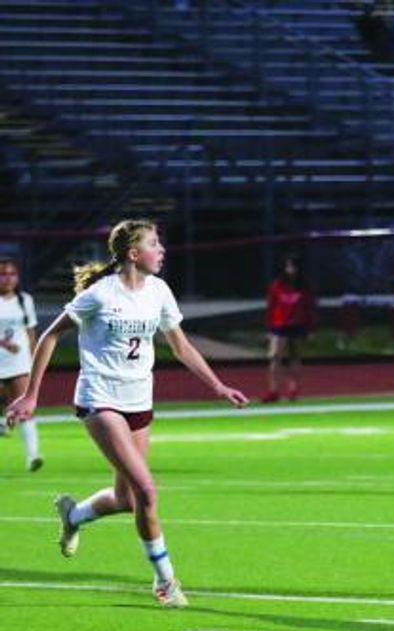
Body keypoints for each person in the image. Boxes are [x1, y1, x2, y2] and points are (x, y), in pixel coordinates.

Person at [4, 219, 248, 608]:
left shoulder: (159, 291)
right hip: (100, 399)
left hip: (139, 401)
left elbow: (181, 347)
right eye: (154, 244)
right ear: (134, 254)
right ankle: (165, 583)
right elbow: (51, 334)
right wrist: (32, 395)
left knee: (129, 500)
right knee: (148, 490)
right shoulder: (101, 295)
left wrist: (217, 386)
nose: (162, 250)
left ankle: (74, 515)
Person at [0, 257, 42, 471]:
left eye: (12, 274)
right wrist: (3, 343)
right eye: (3, 274)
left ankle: (33, 456)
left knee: (24, 408)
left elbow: (31, 332)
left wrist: (35, 359)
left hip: (19, 362)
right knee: (7, 410)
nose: (8, 279)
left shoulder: (25, 300)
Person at [263, 254, 315, 403]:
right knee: (275, 358)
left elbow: (310, 308)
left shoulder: (304, 287)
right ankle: (274, 391)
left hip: (298, 325)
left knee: (295, 358)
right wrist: (269, 328)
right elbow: (270, 307)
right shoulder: (277, 285)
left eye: (294, 267)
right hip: (279, 326)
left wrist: (310, 328)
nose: (291, 270)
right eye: (288, 267)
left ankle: (293, 390)